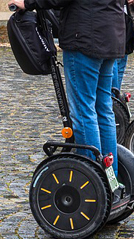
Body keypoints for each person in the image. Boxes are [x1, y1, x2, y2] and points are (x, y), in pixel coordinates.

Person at [9, 0, 126, 177]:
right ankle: (111, 176)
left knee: (83, 110)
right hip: (111, 34)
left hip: (85, 37)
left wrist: (27, 2)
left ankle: (93, 176)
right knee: (104, 109)